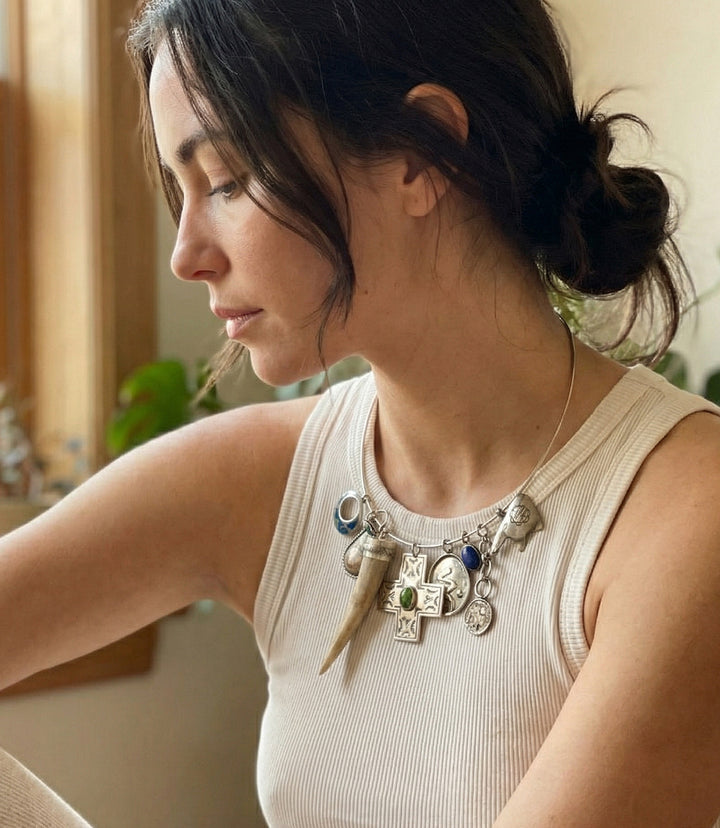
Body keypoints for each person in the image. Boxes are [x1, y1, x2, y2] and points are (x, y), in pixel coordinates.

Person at [1, 0, 720, 825]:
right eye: (182, 190)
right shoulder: (253, 476)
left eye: (227, 181)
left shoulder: (683, 510)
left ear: (421, 156)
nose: (186, 255)